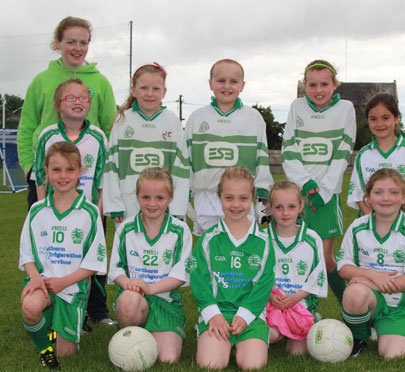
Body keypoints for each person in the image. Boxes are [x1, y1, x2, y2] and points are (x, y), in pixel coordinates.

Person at [31, 78, 112, 328]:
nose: (78, 102)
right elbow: (40, 174)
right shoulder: (48, 135)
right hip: (55, 212)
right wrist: (44, 207)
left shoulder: (98, 136)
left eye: (83, 98)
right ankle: (52, 305)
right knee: (58, 260)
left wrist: (98, 211)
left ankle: (96, 311)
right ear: (58, 105)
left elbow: (102, 176)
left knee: (91, 264)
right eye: (71, 97)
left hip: (86, 214)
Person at [20, 141, 107, 370]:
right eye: (56, 169)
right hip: (42, 283)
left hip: (72, 288)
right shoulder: (37, 211)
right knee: (30, 306)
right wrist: (36, 278)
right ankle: (44, 350)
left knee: (67, 354)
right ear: (46, 172)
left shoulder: (90, 213)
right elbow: (27, 254)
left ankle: (54, 330)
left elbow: (93, 263)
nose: (63, 176)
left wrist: (62, 282)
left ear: (80, 172)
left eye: (70, 169)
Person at [17, 16, 116, 210]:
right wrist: (29, 165)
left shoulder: (101, 82)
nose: (77, 48)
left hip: (89, 175)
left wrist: (107, 168)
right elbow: (27, 126)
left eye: (83, 42)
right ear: (58, 43)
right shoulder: (41, 80)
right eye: (70, 42)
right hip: (47, 174)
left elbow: (111, 128)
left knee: (89, 232)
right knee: (44, 233)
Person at [282, 59, 356, 304]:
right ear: (305, 86)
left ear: (335, 84)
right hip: (298, 194)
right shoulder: (296, 106)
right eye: (312, 85)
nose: (319, 90)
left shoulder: (346, 108)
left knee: (325, 258)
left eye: (325, 84)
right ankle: (305, 309)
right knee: (297, 256)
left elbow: (343, 152)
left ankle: (352, 310)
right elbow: (289, 149)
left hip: (325, 195)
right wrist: (304, 183)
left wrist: (323, 191)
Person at [337, 168, 405, 359]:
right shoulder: (357, 227)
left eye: (393, 192)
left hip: (398, 308)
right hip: (367, 299)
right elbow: (343, 267)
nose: (386, 198)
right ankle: (359, 335)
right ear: (368, 198)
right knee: (354, 292)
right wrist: (371, 275)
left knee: (393, 356)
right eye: (378, 192)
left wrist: (368, 282)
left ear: (404, 198)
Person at [190, 167, 275, 370]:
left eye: (243, 198)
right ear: (220, 197)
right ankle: (216, 339)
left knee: (252, 365)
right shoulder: (208, 239)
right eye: (229, 198)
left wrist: (245, 316)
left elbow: (264, 285)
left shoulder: (263, 242)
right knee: (211, 364)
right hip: (218, 313)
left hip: (251, 315)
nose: (236, 205)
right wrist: (213, 315)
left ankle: (250, 339)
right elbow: (198, 280)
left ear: (253, 198)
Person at [108, 167, 192, 363]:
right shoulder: (126, 229)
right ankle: (131, 335)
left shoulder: (180, 231)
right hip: (135, 299)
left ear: (170, 197)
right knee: (128, 301)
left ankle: (164, 328)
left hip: (165, 301)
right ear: (137, 197)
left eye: (159, 198)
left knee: (167, 359)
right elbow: (115, 269)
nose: (152, 204)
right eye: (146, 197)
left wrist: (149, 287)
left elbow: (181, 275)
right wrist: (130, 284)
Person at [183, 59, 273, 235]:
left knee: (241, 250)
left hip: (241, 198)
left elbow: (262, 159)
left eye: (233, 81)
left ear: (242, 85)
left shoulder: (253, 118)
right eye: (221, 81)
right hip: (206, 197)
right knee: (209, 251)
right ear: (211, 84)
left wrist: (264, 196)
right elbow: (186, 160)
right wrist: (182, 196)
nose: (227, 86)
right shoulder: (197, 117)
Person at [103, 63, 189, 224]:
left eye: (156, 89)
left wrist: (177, 207)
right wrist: (114, 204)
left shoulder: (172, 121)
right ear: (133, 90)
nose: (150, 94)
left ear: (164, 92)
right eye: (143, 88)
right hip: (128, 204)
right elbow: (112, 165)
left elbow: (181, 167)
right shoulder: (122, 120)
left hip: (163, 205)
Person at [265, 181, 327, 355]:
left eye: (291, 206)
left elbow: (318, 275)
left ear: (301, 206)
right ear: (270, 208)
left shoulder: (312, 239)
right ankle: (277, 330)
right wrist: (269, 295)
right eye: (278, 207)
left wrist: (296, 297)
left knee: (297, 353)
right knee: (270, 336)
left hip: (301, 303)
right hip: (270, 304)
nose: (285, 213)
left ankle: (311, 319)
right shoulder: (262, 239)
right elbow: (255, 275)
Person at [347, 93, 405, 219]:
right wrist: (376, 222)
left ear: (396, 118)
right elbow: (358, 194)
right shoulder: (364, 154)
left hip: (403, 224)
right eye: (373, 119)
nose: (379, 124)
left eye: (385, 118)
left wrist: (395, 222)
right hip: (369, 225)